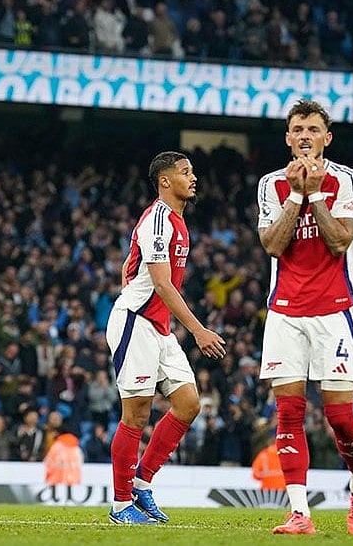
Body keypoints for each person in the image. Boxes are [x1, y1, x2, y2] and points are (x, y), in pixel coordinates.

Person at [256, 99, 353, 535]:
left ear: (327, 137)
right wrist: (296, 196)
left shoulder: (348, 180)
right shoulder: (271, 184)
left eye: (313, 129)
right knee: (288, 415)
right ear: (288, 138)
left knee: (339, 417)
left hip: (333, 309)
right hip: (284, 310)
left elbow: (340, 241)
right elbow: (272, 245)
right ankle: (299, 512)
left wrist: (317, 193)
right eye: (298, 129)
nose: (305, 136)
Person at [105, 151, 226, 525]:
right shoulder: (158, 220)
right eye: (185, 172)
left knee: (188, 404)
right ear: (165, 181)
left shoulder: (177, 220)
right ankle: (121, 505)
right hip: (136, 322)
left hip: (158, 327)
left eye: (192, 171)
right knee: (136, 413)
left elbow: (134, 269)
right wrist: (198, 329)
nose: (193, 177)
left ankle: (141, 483)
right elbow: (161, 283)